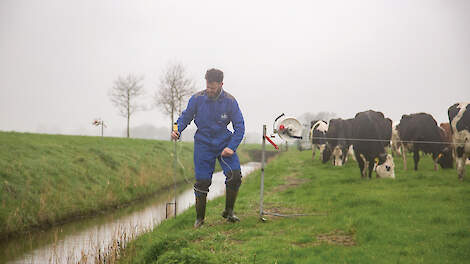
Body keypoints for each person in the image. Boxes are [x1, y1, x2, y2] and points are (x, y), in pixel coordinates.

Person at [171, 68, 245, 228]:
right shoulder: (197, 99)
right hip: (203, 144)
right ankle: (200, 219)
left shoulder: (230, 101)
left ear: (221, 84)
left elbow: (240, 126)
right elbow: (184, 117)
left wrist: (232, 147)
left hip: (224, 144)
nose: (209, 90)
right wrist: (176, 129)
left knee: (235, 176)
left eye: (213, 87)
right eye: (208, 86)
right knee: (202, 181)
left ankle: (229, 211)